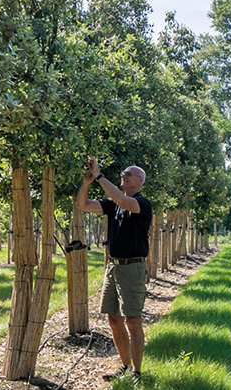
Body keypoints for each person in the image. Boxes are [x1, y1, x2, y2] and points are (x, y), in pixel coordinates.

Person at [77, 157, 152, 383]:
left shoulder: (142, 203)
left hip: (132, 268)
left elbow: (120, 198)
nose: (123, 175)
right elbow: (83, 205)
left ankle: (137, 373)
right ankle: (125, 366)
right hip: (113, 267)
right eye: (122, 172)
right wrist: (86, 183)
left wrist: (99, 176)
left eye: (128, 174)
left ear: (139, 181)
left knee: (133, 320)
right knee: (113, 318)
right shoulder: (112, 205)